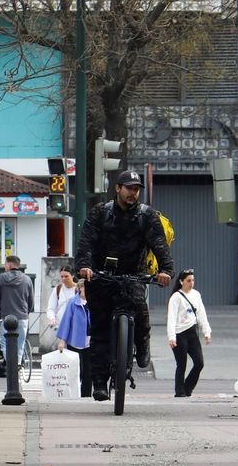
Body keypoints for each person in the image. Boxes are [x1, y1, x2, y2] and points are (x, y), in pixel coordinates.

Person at [73, 168, 174, 401]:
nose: (133, 193)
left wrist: (166, 271)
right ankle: (99, 383)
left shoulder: (147, 216)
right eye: (129, 188)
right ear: (118, 189)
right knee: (98, 330)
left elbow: (159, 245)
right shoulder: (100, 212)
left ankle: (143, 345)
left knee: (139, 309)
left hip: (134, 274)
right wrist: (85, 266)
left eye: (137, 189)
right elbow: (86, 242)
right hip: (101, 276)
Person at [165, 268, 212, 397]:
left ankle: (188, 387)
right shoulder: (176, 297)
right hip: (179, 334)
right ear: (181, 282)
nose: (191, 283)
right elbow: (171, 318)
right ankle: (179, 391)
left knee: (199, 363)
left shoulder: (196, 294)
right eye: (188, 280)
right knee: (182, 364)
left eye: (193, 280)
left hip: (192, 332)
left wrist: (206, 332)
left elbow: (201, 314)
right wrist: (171, 337)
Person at [0, 254, 33, 376]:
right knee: (20, 342)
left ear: (9, 265)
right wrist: (27, 311)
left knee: (4, 341)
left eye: (5, 264)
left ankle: (9, 363)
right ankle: (17, 364)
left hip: (6, 316)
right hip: (22, 316)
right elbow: (31, 300)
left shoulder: (1, 278)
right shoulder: (27, 279)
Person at [55, 279, 92, 397]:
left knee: (88, 371)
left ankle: (86, 395)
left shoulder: (94, 303)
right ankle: (74, 394)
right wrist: (62, 340)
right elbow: (66, 322)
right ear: (80, 288)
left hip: (90, 342)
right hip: (75, 341)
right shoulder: (73, 302)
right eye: (85, 287)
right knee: (77, 370)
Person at [43, 270, 76, 349]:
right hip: (60, 325)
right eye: (62, 277)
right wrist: (52, 318)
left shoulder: (78, 289)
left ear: (72, 276)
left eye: (66, 276)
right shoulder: (58, 289)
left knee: (73, 351)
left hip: (74, 325)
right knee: (62, 350)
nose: (64, 279)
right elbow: (51, 308)